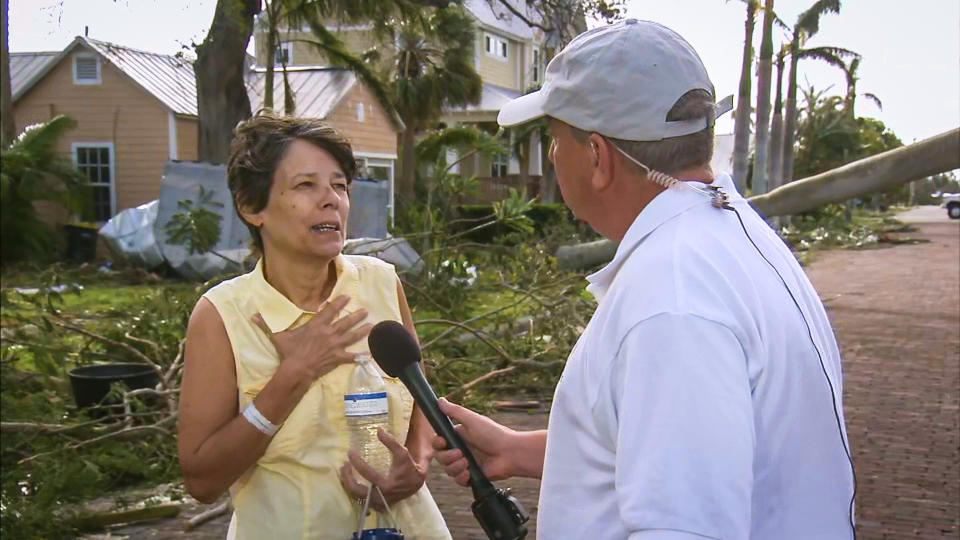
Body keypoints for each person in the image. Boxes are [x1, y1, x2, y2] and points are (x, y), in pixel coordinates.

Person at [433, 19, 856, 539]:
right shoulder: (734, 237)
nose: (552, 156)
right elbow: (697, 448)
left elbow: (685, 528)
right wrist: (521, 450)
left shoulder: (672, 303)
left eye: (554, 138)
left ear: (597, 156)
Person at [177, 113, 451, 539]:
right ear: (252, 207)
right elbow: (202, 481)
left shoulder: (380, 282)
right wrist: (292, 375)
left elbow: (420, 397)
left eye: (340, 185)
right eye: (307, 185)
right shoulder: (222, 315)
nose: (332, 200)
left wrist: (415, 465)